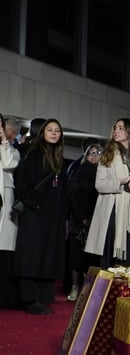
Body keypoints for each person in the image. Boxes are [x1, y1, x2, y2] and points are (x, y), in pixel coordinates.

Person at [84, 118, 130, 270]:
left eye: (121, 128)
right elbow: (100, 184)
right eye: (115, 127)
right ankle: (110, 289)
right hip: (113, 210)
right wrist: (121, 182)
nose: (116, 131)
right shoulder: (108, 154)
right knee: (111, 251)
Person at [13, 118, 69, 314]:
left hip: (53, 216)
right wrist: (35, 204)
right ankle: (30, 298)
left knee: (48, 254)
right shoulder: (33, 154)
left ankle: (44, 296)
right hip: (35, 214)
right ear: (43, 133)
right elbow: (22, 184)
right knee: (32, 255)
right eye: (50, 130)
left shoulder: (59, 157)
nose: (54, 133)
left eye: (57, 130)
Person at [65, 142, 102, 301]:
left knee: (92, 258)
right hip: (79, 221)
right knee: (76, 256)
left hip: (97, 221)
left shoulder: (103, 174)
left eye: (97, 153)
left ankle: (88, 289)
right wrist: (82, 217)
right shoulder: (79, 173)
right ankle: (74, 287)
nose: (94, 156)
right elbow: (73, 197)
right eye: (91, 153)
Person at [0, 113, 21, 309]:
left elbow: (8, 164)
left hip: (5, 202)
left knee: (4, 253)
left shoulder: (13, 151)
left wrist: (4, 142)